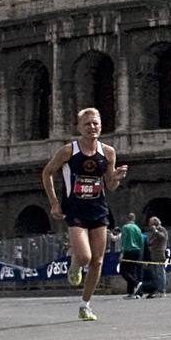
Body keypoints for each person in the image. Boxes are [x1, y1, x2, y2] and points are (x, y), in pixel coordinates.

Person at [40, 107, 127, 321]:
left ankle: (85, 305)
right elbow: (47, 173)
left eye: (95, 123)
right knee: (85, 257)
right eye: (87, 124)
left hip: (98, 209)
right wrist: (53, 203)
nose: (92, 127)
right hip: (75, 210)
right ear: (79, 127)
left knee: (97, 261)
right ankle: (76, 263)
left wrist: (116, 176)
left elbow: (110, 185)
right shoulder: (68, 151)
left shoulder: (108, 152)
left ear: (100, 126)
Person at [117, 214, 146, 298]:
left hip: (128, 250)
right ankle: (131, 292)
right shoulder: (137, 228)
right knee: (132, 271)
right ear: (134, 219)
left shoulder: (126, 227)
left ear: (127, 218)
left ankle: (136, 283)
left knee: (123, 270)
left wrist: (122, 253)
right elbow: (141, 241)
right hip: (137, 251)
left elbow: (124, 240)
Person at [142, 216, 168, 297]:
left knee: (160, 273)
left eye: (150, 223)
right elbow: (150, 241)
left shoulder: (161, 229)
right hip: (153, 254)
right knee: (155, 274)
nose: (149, 225)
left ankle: (162, 290)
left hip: (159, 254)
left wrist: (156, 231)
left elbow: (163, 237)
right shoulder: (152, 232)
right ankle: (157, 289)